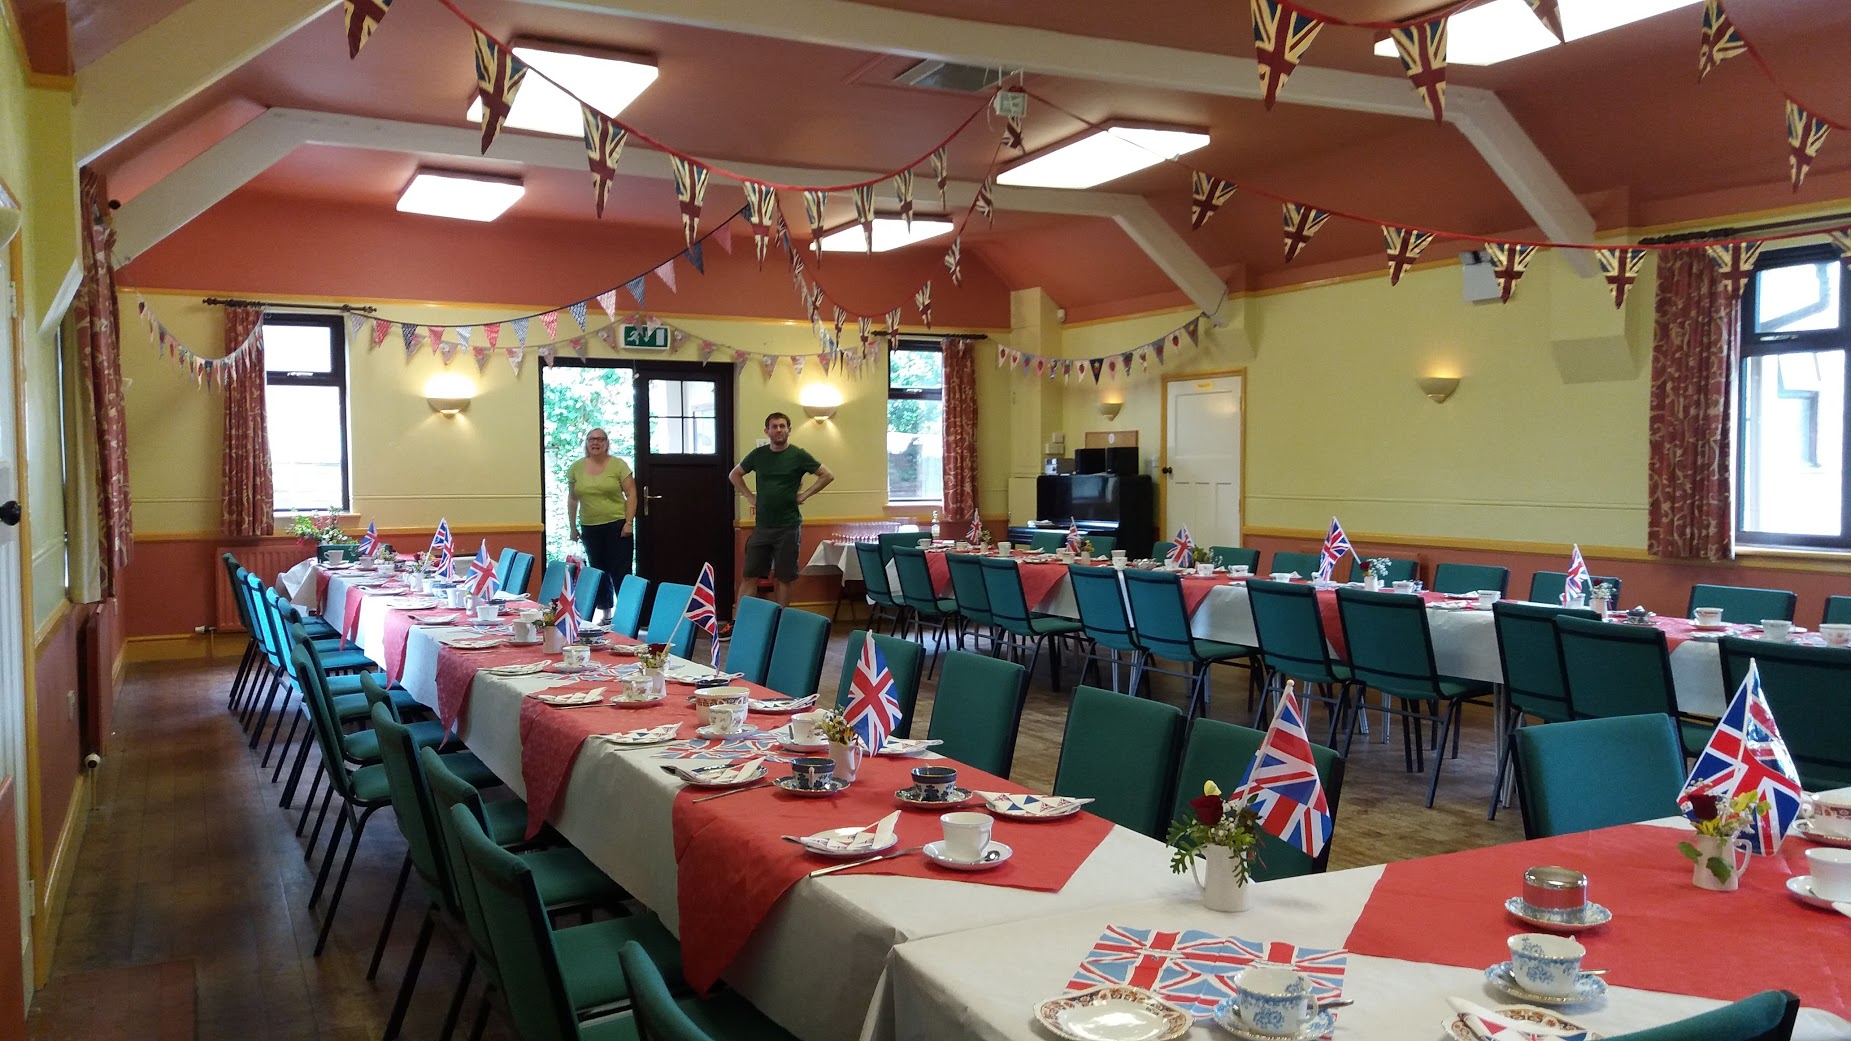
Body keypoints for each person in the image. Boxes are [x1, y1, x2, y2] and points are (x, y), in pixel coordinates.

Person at [730, 412, 833, 609]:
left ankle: (780, 621)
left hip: (788, 526)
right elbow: (735, 475)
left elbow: (827, 475)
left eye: (782, 426)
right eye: (774, 426)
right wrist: (750, 497)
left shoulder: (798, 454)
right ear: (766, 431)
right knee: (750, 575)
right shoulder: (758, 455)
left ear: (789, 430)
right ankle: (741, 621)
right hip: (762, 527)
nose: (778, 430)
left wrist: (804, 495)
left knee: (784, 577)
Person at [565, 427, 636, 617]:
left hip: (617, 525)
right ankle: (606, 615)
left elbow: (631, 493)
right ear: (586, 443)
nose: (595, 443)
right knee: (599, 570)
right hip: (589, 526)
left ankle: (627, 616)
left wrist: (629, 522)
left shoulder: (618, 465)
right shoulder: (576, 468)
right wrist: (573, 527)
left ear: (607, 443)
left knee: (621, 571)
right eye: (591, 439)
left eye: (600, 439)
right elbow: (573, 498)